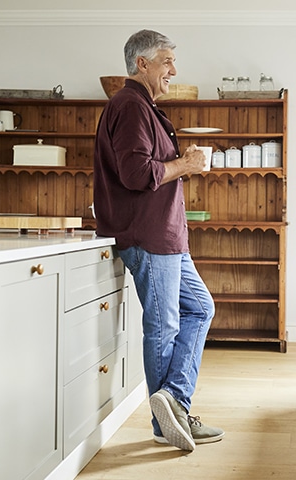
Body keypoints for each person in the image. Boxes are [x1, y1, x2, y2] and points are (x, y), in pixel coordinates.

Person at [93, 28, 223, 452]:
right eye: (166, 61)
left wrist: (181, 164)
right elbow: (136, 174)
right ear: (141, 64)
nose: (174, 70)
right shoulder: (130, 106)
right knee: (164, 326)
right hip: (148, 235)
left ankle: (173, 403)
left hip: (165, 237)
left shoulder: (140, 106)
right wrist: (185, 164)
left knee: (200, 307)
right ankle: (170, 416)